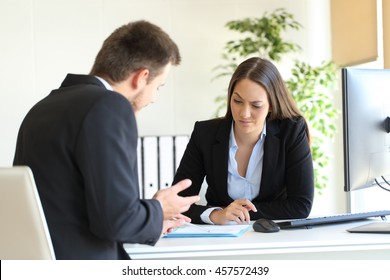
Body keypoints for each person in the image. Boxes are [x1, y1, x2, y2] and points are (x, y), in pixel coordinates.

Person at [13, 20, 199, 260]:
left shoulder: (42, 108)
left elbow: (73, 205)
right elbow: (116, 221)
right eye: (158, 87)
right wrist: (159, 208)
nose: (153, 98)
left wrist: (148, 221)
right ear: (141, 77)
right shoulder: (109, 105)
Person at [173, 57, 314, 225]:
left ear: (272, 105)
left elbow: (300, 206)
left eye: (256, 105)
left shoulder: (291, 132)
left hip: (273, 236)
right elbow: (179, 202)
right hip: (218, 237)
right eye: (238, 101)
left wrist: (239, 215)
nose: (244, 113)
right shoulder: (205, 134)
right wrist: (217, 215)